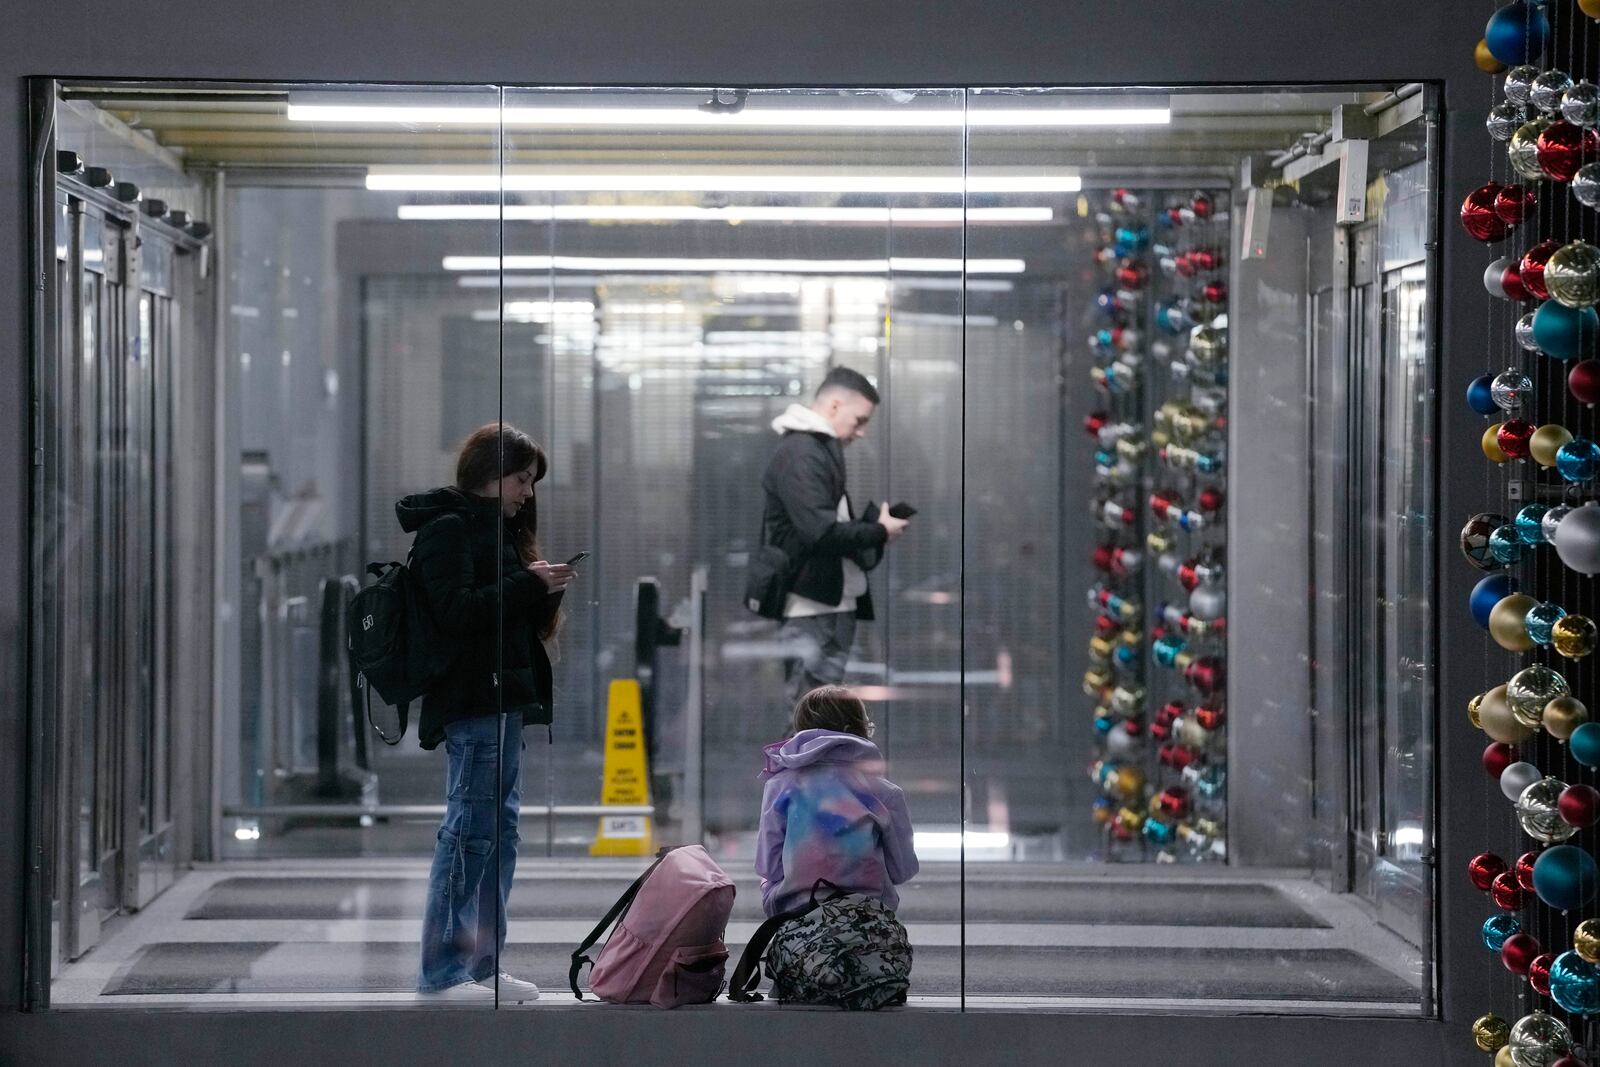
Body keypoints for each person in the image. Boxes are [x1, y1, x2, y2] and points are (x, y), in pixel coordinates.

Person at [398, 423, 576, 1003]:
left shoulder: (494, 532)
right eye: (522, 480)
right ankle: (444, 972)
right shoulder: (448, 531)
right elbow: (455, 612)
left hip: (499, 700)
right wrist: (527, 585)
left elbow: (492, 612)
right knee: (469, 834)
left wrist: (536, 588)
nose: (528, 493)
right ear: (490, 475)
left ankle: (481, 967)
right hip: (472, 701)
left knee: (498, 833)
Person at [754, 367, 909, 703]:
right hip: (814, 605)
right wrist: (879, 530)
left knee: (814, 719)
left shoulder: (815, 450)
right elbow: (820, 532)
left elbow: (824, 524)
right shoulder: (803, 453)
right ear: (835, 406)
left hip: (824, 602)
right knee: (809, 720)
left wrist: (875, 532)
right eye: (860, 420)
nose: (862, 432)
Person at [755, 685, 919, 918]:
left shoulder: (779, 786)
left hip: (798, 915)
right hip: (867, 917)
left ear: (802, 732)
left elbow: (768, 867)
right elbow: (902, 870)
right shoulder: (886, 793)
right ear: (855, 730)